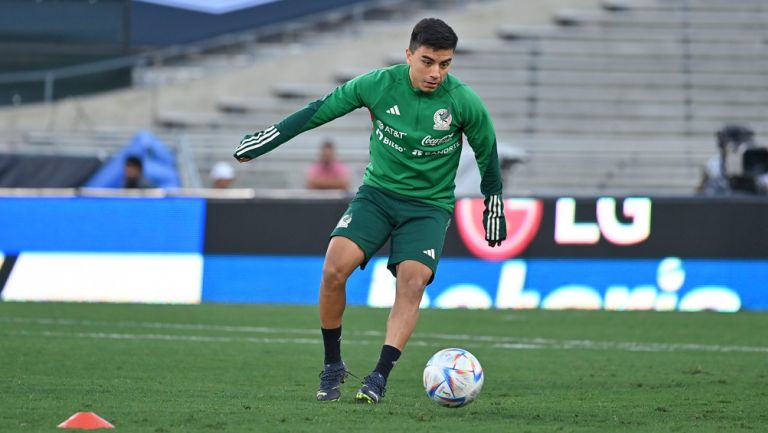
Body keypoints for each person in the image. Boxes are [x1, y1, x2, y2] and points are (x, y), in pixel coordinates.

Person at [233, 18, 507, 404]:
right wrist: (267, 140)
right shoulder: (377, 85)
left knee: (412, 283)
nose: (436, 73)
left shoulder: (463, 101)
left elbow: (487, 156)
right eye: (427, 61)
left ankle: (379, 375)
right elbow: (319, 111)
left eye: (445, 64)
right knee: (333, 269)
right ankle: (332, 365)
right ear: (409, 55)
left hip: (428, 207)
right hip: (377, 195)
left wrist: (492, 204)